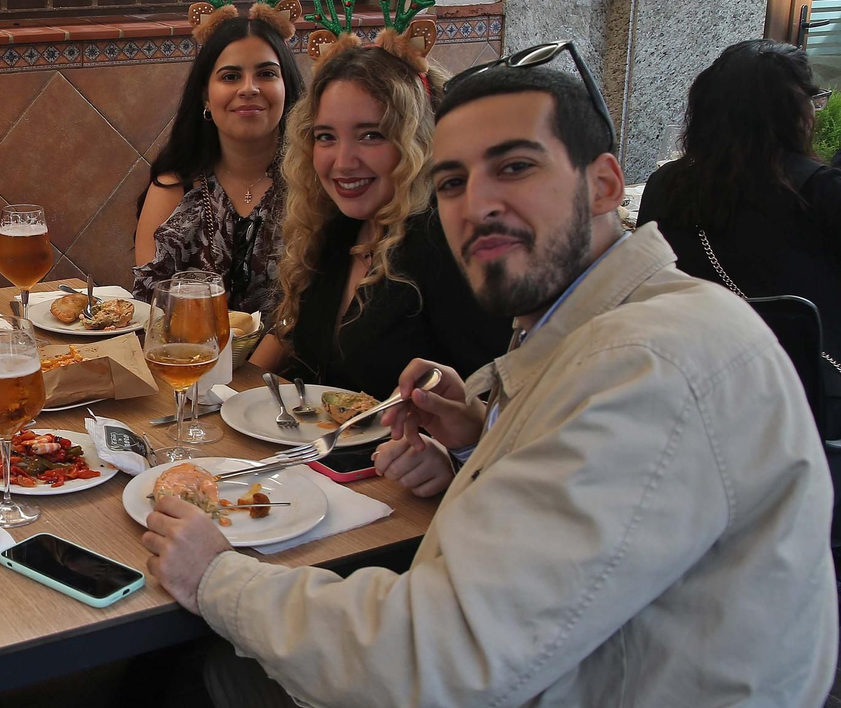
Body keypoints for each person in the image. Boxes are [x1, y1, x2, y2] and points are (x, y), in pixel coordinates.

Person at [142, 48, 838, 707]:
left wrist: (218, 578)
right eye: (452, 181)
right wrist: (481, 442)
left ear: (603, 184)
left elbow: (442, 661)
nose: (475, 205)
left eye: (514, 168)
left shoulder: (649, 362)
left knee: (188, 675)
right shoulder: (590, 328)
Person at [246, 39, 508, 497]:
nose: (342, 161)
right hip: (324, 483)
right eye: (326, 136)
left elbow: (507, 405)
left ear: (418, 141)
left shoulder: (445, 243)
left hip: (412, 510)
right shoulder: (336, 231)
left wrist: (452, 459)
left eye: (371, 134)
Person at [639, 40, 841, 378]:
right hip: (809, 396)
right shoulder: (822, 193)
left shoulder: (665, 185)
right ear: (797, 116)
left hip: (688, 379)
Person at [134, 13, 305, 320]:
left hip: (292, 367)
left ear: (287, 88)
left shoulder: (311, 185)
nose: (249, 88)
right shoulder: (173, 187)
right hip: (188, 361)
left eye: (267, 74)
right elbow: (152, 309)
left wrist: (253, 367)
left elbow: (311, 308)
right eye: (230, 77)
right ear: (206, 97)